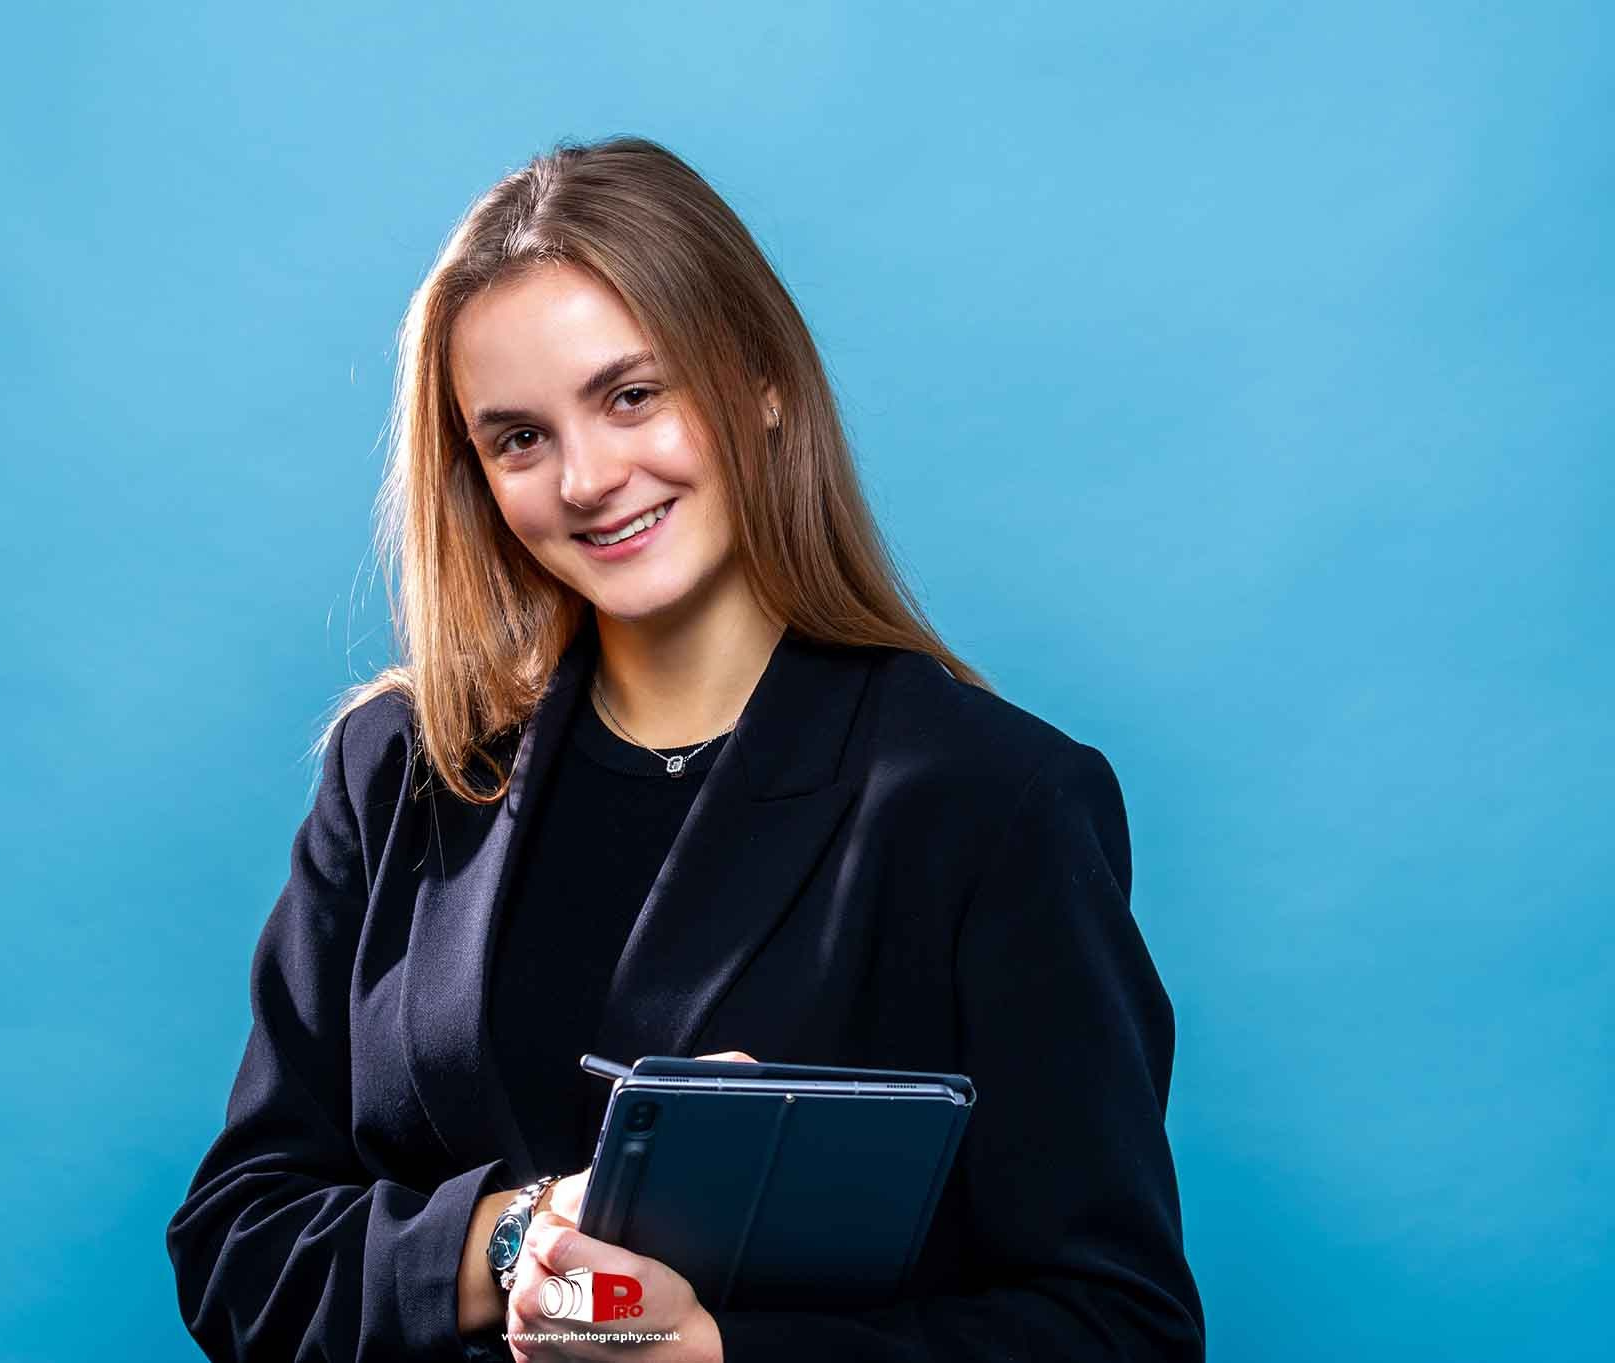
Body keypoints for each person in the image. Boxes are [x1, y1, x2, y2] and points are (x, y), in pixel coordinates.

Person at [164, 134, 1204, 1363]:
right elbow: (237, 1247)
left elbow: (1114, 1328)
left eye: (630, 394)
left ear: (760, 379)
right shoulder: (396, 769)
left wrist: (719, 1359)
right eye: (518, 439)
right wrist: (521, 1238)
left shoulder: (993, 801)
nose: (589, 479)